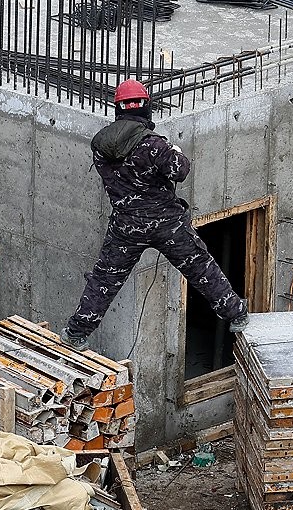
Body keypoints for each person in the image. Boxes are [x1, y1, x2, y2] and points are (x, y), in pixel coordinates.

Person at [62, 79, 249, 350]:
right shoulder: (154, 146)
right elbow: (181, 171)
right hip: (167, 224)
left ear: (118, 108)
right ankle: (237, 314)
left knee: (104, 280)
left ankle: (76, 333)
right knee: (201, 268)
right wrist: (173, 151)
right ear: (145, 107)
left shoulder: (100, 145)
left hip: (126, 225)